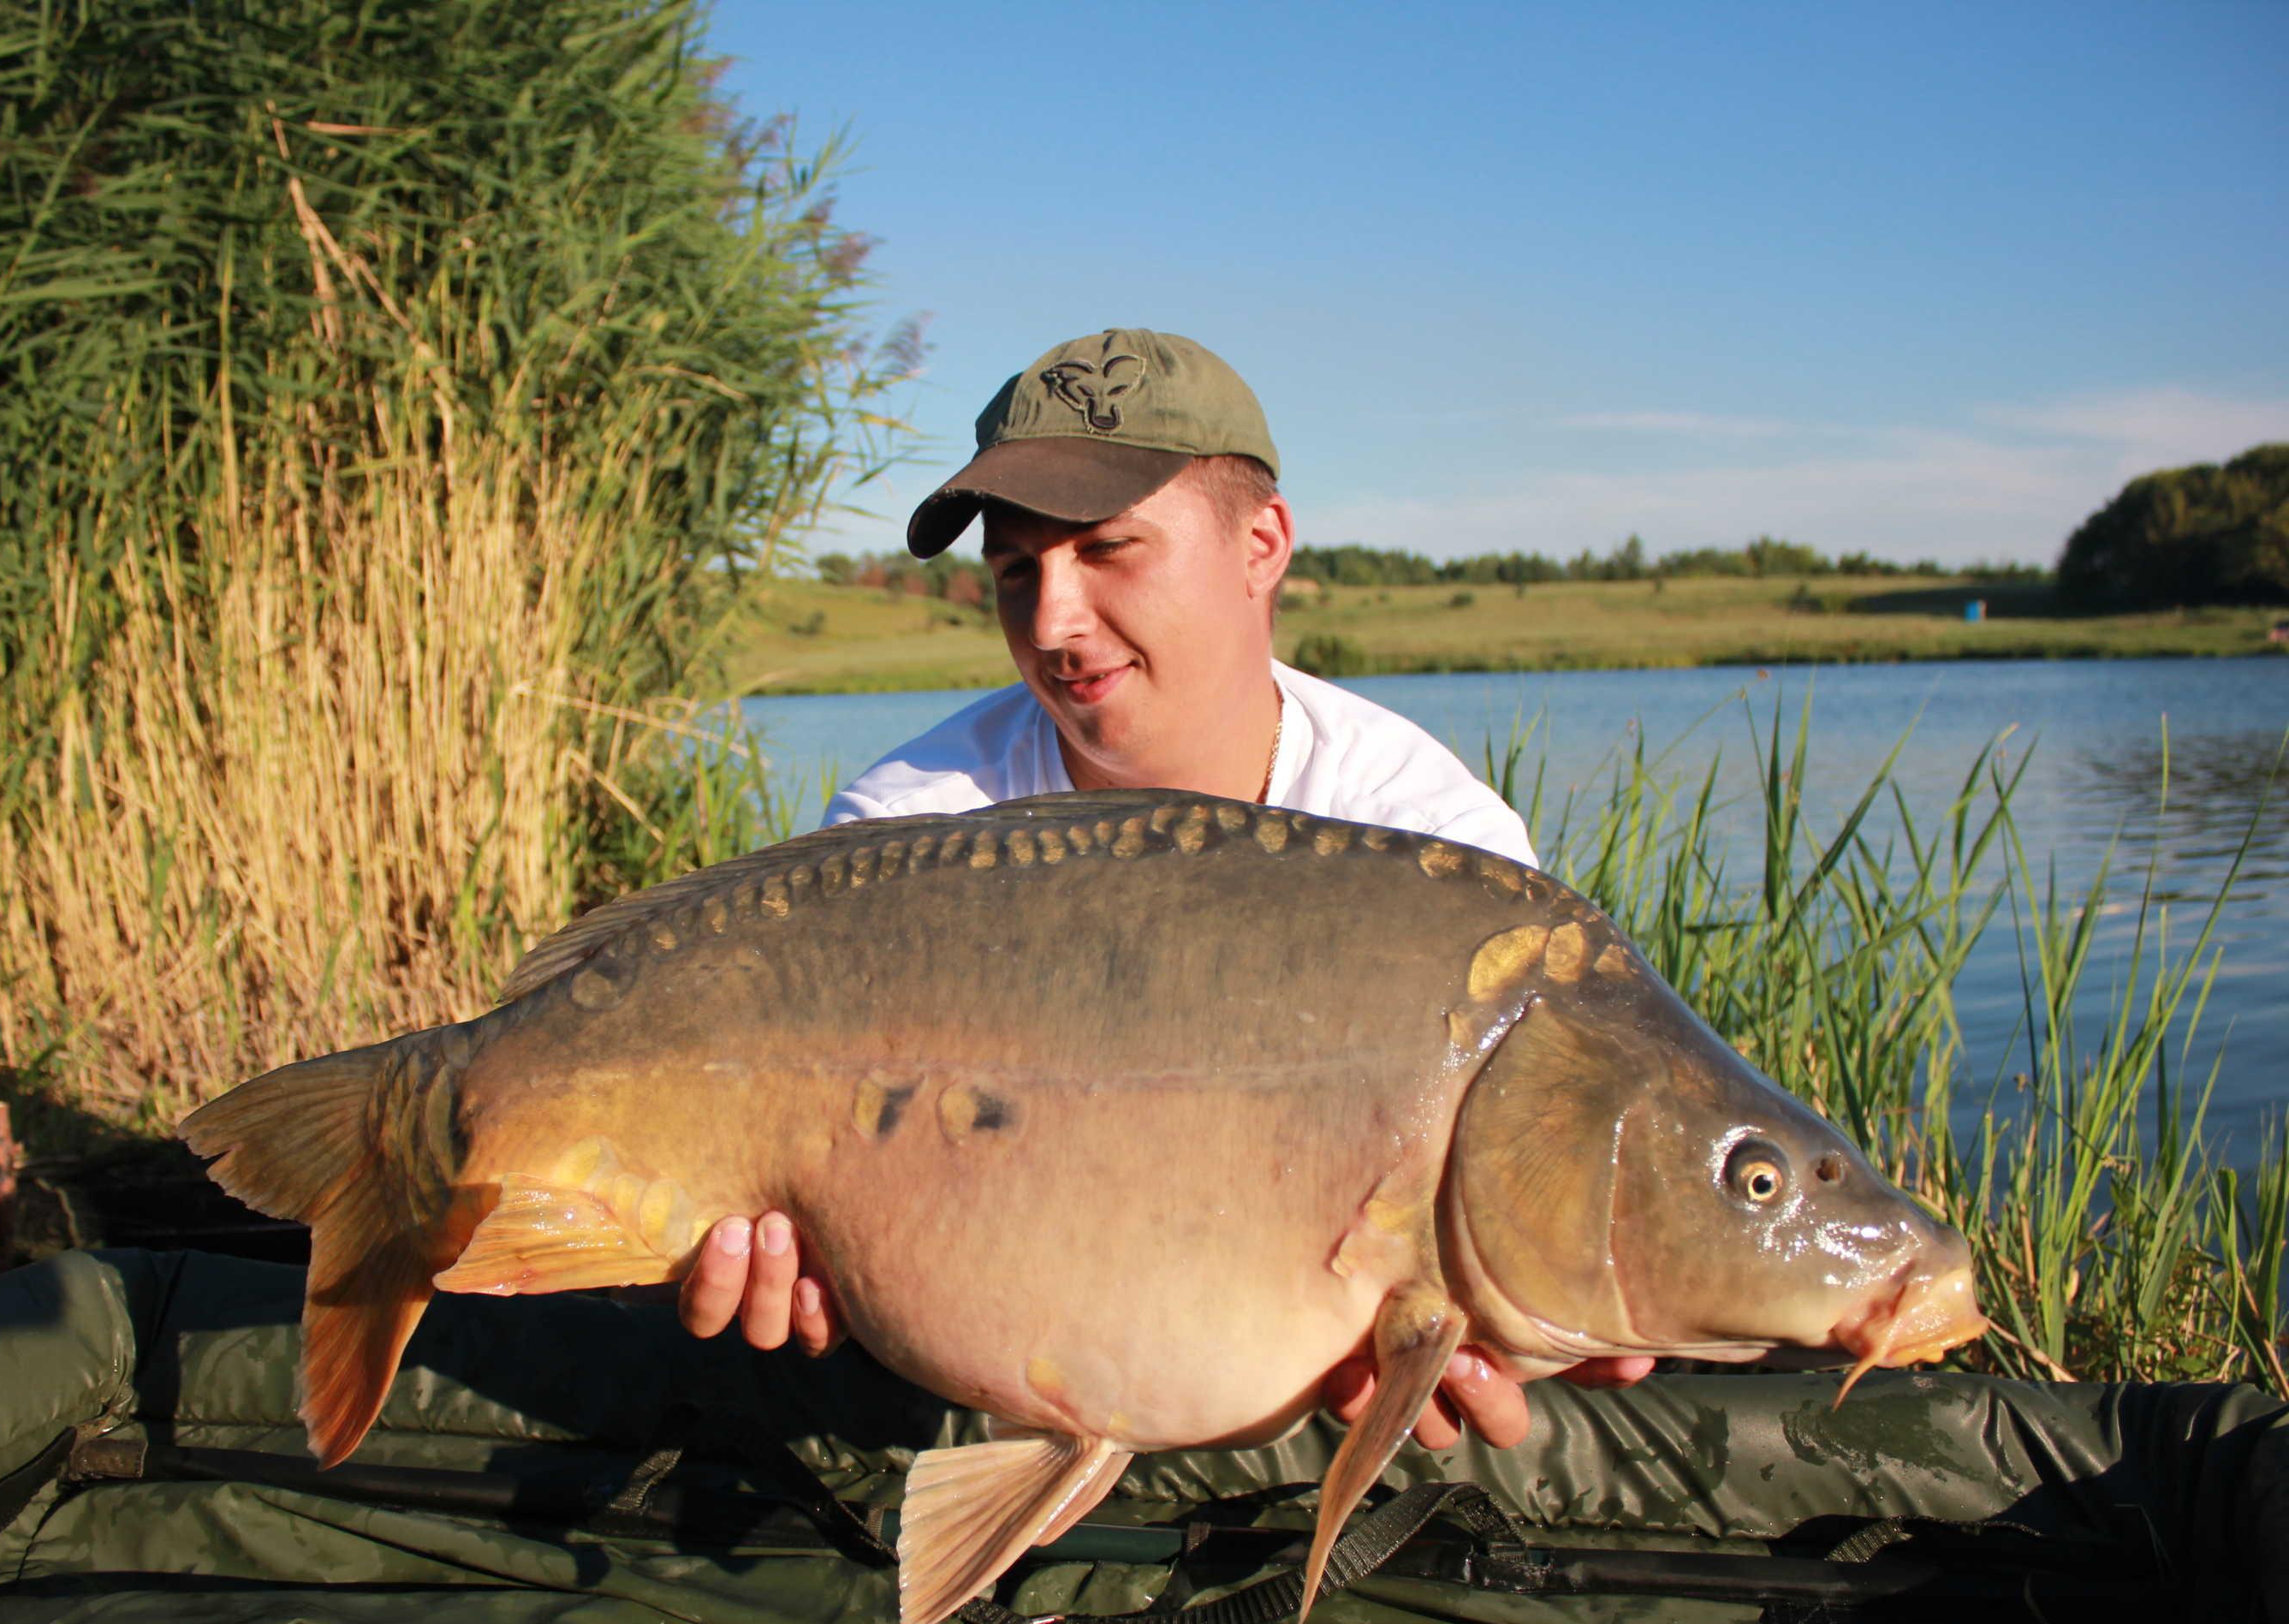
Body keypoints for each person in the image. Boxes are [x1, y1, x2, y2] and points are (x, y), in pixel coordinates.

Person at [678, 327, 1651, 1448]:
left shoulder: (1437, 858)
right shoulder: (911, 829)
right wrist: (816, 1277)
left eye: (1108, 551)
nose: (1052, 623)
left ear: (1262, 545)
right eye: (1016, 572)